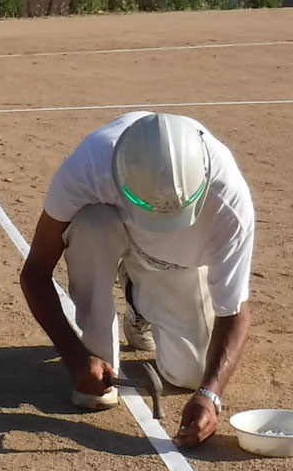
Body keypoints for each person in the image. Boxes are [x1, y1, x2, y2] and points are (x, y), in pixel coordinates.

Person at [17, 111, 255, 448]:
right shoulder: (89, 164)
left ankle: (136, 297)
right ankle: (98, 341)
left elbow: (235, 310)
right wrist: (75, 357)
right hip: (110, 232)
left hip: (177, 264)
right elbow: (35, 273)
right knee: (92, 225)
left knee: (190, 375)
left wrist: (210, 396)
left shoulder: (230, 201)